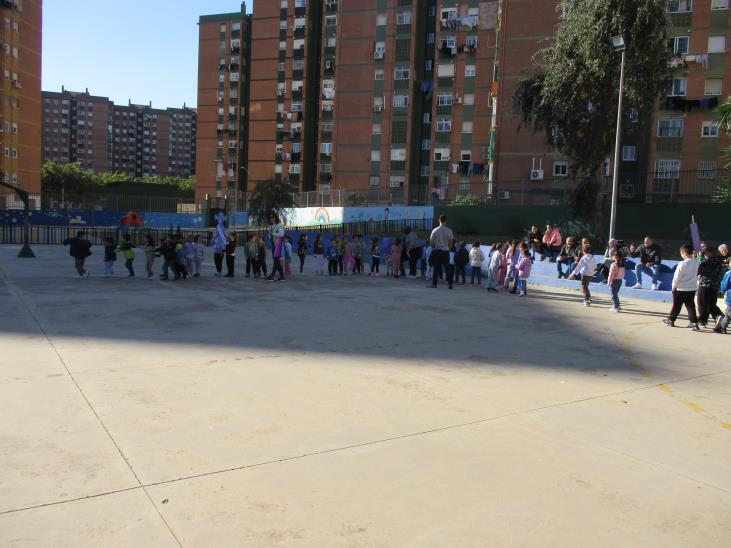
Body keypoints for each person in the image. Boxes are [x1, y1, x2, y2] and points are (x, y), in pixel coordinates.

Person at [663, 244, 700, 330]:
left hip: (680, 288)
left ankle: (671, 320)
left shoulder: (682, 264)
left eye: (681, 253)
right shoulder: (696, 262)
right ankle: (694, 323)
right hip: (691, 288)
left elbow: (677, 277)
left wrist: (673, 287)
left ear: (684, 253)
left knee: (676, 306)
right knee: (690, 306)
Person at [696, 246, 724, 328]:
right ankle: (718, 315)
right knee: (711, 304)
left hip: (704, 285)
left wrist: (699, 257)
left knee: (702, 303)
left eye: (705, 253)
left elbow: (698, 270)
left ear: (709, 253)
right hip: (715, 286)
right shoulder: (719, 262)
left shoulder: (706, 263)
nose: (704, 255)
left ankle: (702, 321)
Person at [429, 215, 454, 289]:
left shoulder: (435, 230)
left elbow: (431, 241)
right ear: (446, 221)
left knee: (436, 268)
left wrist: (433, 247)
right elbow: (451, 242)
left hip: (437, 250)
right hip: (446, 251)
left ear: (439, 220)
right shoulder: (449, 231)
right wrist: (448, 249)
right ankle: (450, 284)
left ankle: (434, 284)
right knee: (447, 268)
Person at [267, 213, 286, 282]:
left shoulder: (279, 225)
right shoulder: (271, 226)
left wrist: (273, 234)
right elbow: (269, 234)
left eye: (273, 217)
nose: (271, 219)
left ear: (276, 218)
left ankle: (273, 275)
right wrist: (270, 236)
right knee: (276, 260)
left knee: (276, 260)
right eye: (270, 218)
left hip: (278, 244)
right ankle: (282, 276)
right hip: (273, 244)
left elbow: (281, 234)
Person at [715, 267, 731, 333]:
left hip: (730, 296)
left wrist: (723, 291)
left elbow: (724, 284)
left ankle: (722, 327)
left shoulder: (729, 273)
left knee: (728, 314)